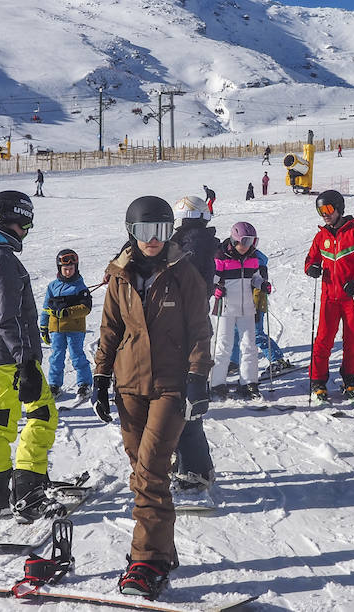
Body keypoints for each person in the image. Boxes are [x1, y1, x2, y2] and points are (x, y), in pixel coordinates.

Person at [93, 196, 212, 599]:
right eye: (146, 232)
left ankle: (147, 559)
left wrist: (198, 377)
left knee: (151, 472)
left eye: (161, 231)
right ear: (132, 233)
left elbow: (200, 328)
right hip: (129, 386)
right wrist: (99, 377)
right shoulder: (120, 276)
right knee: (139, 472)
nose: (153, 241)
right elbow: (110, 330)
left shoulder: (183, 273)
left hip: (170, 385)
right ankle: (162, 547)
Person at [0, 190, 62, 520]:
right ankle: (29, 492)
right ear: (18, 219)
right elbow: (8, 316)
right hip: (8, 357)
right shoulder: (2, 260)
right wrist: (26, 362)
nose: (28, 230)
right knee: (42, 415)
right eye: (28, 223)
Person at [168, 194, 219, 502]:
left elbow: (182, 271)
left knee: (186, 401)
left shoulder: (195, 241)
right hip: (183, 324)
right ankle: (197, 465)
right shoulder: (189, 238)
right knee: (182, 400)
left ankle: (195, 470)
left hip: (188, 325)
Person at [303, 188, 354, 402]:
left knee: (352, 339)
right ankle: (318, 380)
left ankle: (350, 378)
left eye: (327, 208)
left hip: (352, 296)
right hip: (329, 296)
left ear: (339, 208)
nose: (324, 214)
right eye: (320, 210)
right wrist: (311, 268)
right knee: (323, 339)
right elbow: (310, 260)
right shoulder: (321, 236)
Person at [210, 222, 269, 400]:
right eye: (244, 241)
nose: (247, 246)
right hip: (225, 308)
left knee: (249, 346)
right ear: (235, 239)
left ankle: (249, 382)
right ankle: (216, 384)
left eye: (251, 241)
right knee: (223, 346)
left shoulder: (253, 258)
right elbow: (210, 280)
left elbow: (256, 278)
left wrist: (263, 284)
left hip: (247, 308)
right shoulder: (221, 257)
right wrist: (216, 289)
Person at [40, 249, 94, 400]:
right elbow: (46, 308)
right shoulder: (52, 286)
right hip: (56, 329)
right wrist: (44, 327)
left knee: (77, 356)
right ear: (60, 269)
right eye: (65, 269)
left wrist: (67, 312)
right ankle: (54, 385)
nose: (69, 271)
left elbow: (85, 308)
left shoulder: (80, 287)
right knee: (56, 357)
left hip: (75, 329)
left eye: (71, 269)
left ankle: (84, 384)